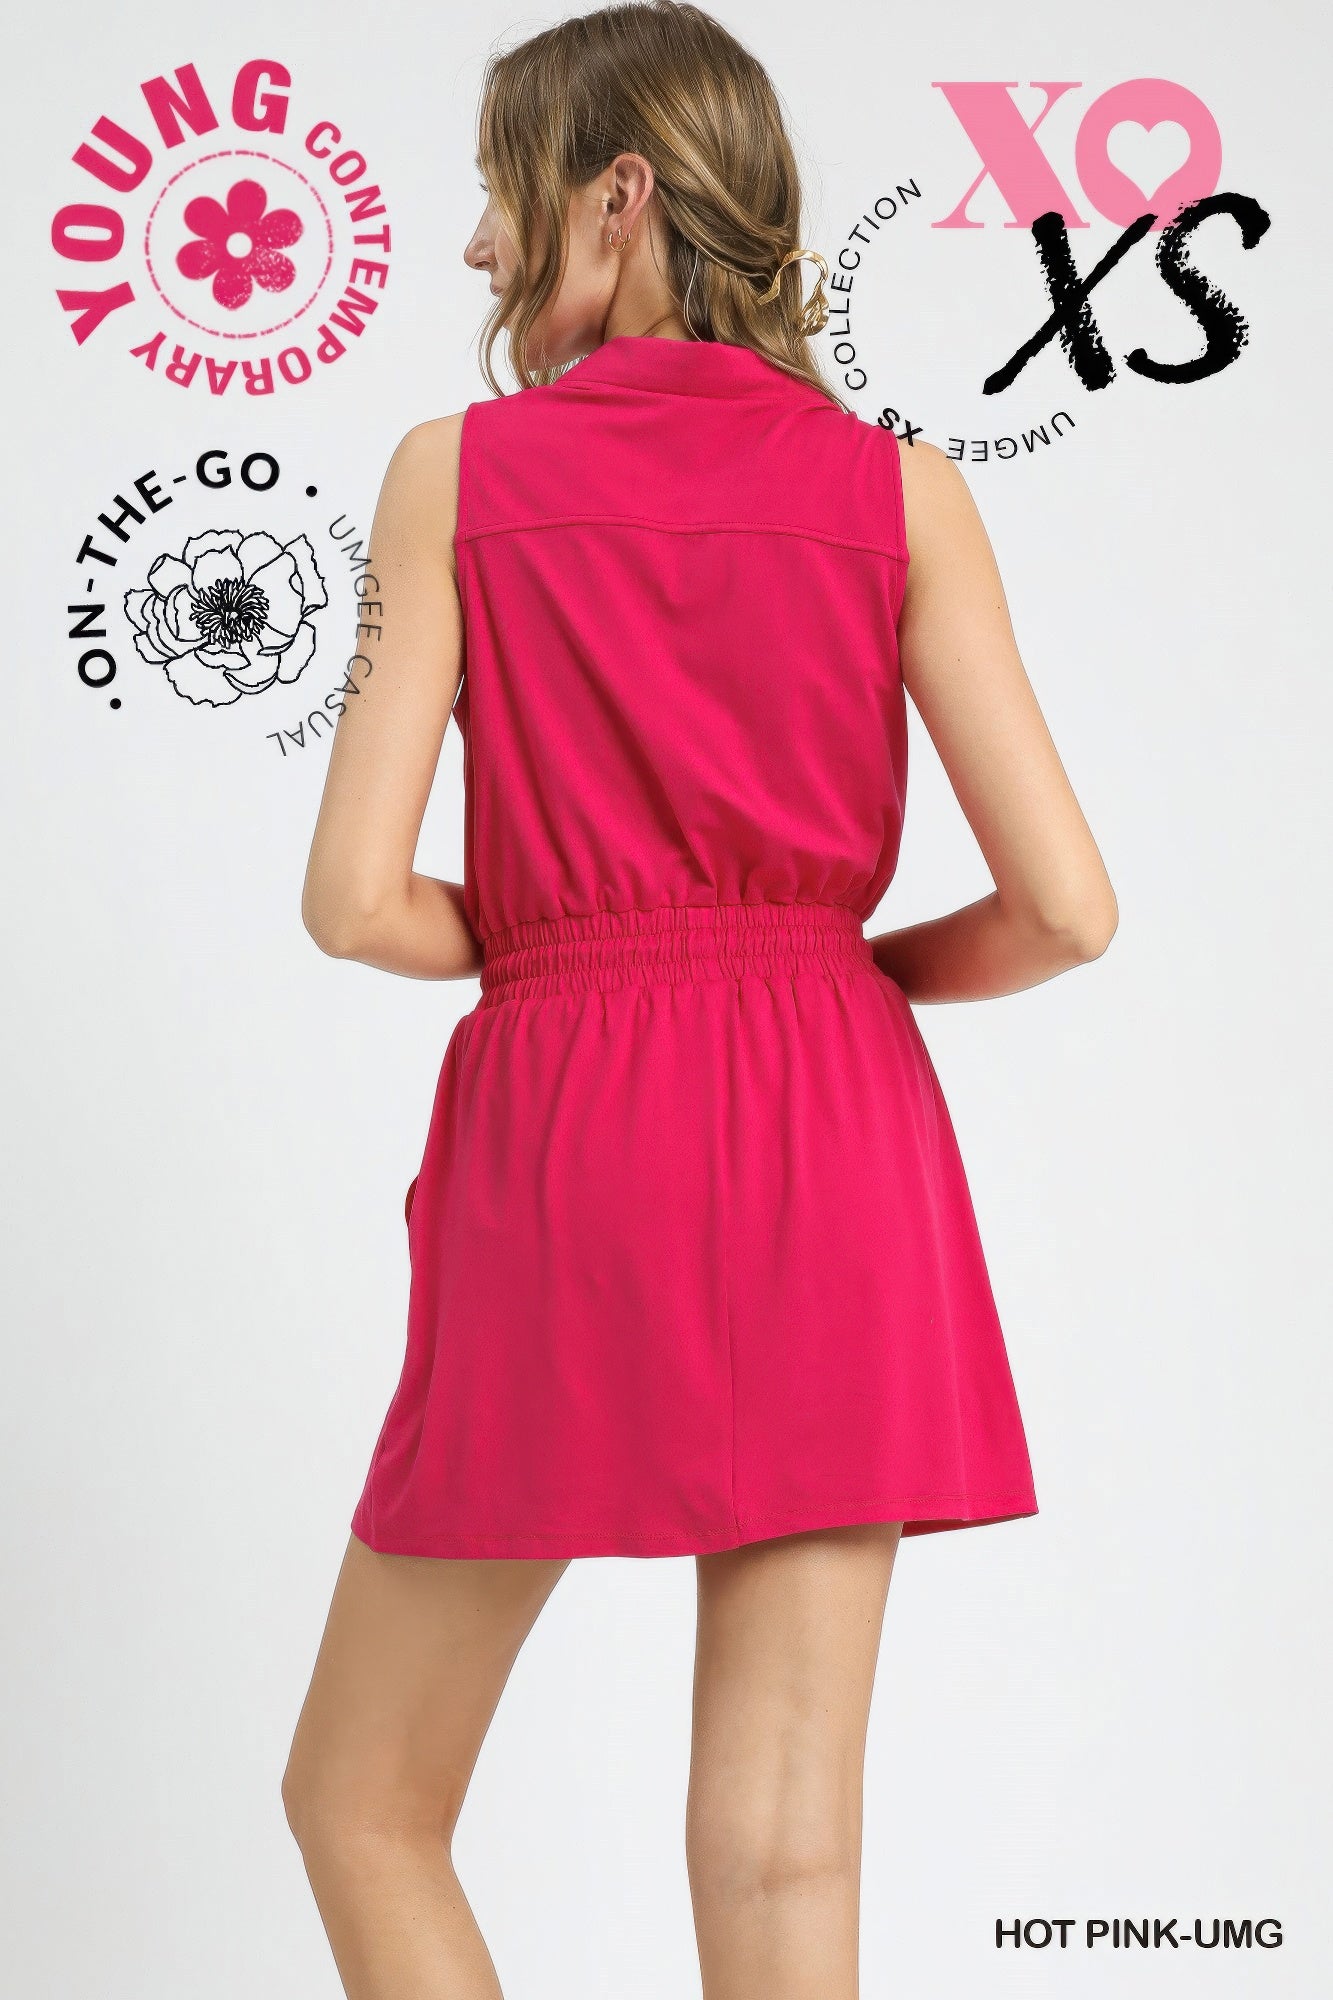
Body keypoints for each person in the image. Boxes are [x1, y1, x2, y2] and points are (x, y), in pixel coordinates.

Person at [282, 4, 1118, 1994]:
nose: (476, 246)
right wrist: (825, 971)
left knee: (362, 1801)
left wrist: (557, 938)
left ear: (616, 194)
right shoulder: (901, 490)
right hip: (836, 1114)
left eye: (499, 193)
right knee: (782, 1860)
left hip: (575, 1119)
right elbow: (1068, 911)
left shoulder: (452, 476)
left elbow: (352, 902)